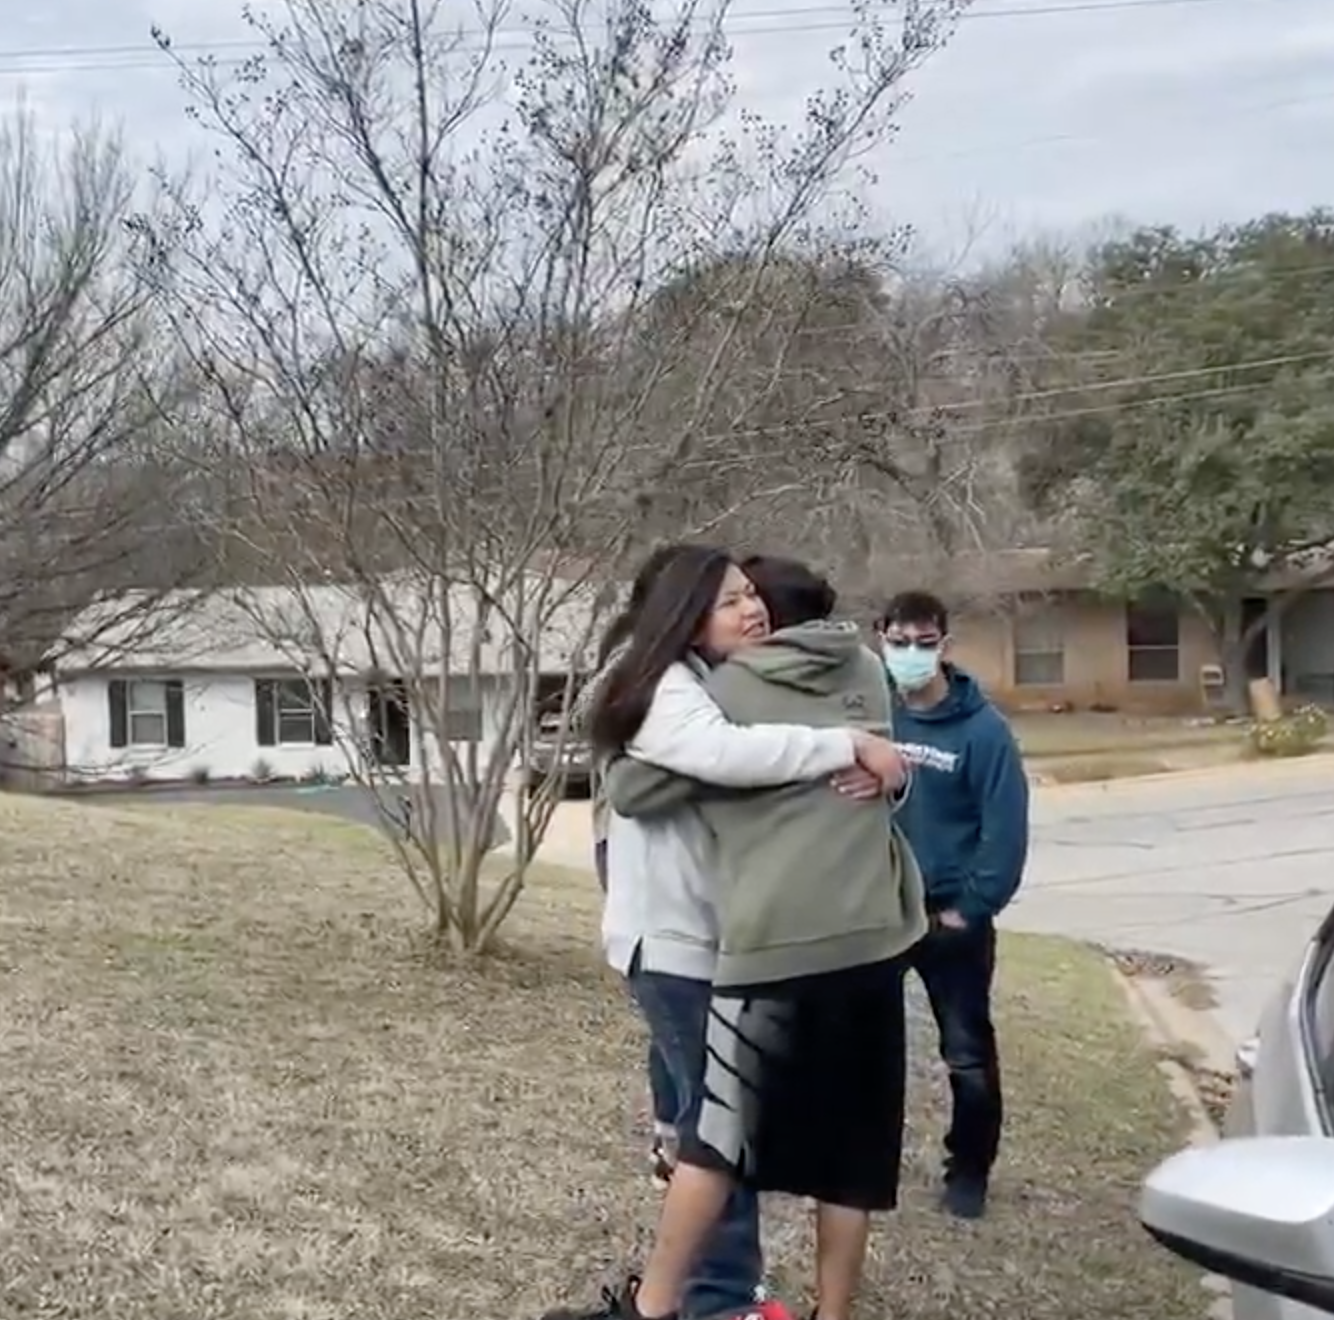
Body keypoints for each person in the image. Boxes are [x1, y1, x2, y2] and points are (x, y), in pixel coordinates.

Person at [544, 551, 910, 1320]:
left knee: (713, 1131)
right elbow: (669, 776)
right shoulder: (665, 685)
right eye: (728, 603)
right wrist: (845, 742)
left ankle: (700, 1299)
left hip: (727, 939)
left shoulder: (720, 684)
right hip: (677, 940)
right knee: (720, 1135)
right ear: (682, 617)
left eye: (752, 597)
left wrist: (879, 762)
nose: (751, 613)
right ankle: (716, 1302)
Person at [876, 589, 1030, 1221]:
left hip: (950, 918)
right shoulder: (873, 714)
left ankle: (968, 1171)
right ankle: (865, 1164)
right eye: (898, 641)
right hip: (878, 914)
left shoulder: (983, 730)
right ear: (878, 636)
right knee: (867, 1049)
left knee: (965, 1052)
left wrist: (972, 906)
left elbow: (1006, 831)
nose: (910, 654)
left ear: (944, 643)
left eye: (923, 642)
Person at [574, 543, 691, 1188]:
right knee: (666, 991)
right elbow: (592, 719)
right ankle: (675, 1137)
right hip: (624, 844)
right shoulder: (635, 659)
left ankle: (674, 1135)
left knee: (673, 1000)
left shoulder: (668, 659)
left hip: (655, 846)